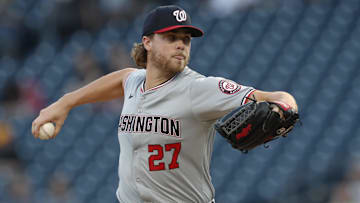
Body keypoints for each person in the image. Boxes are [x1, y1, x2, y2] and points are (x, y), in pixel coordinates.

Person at [31, 5, 298, 203]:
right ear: (147, 42)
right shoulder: (135, 82)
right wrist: (65, 103)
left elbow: (275, 97)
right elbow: (122, 78)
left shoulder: (199, 89)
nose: (181, 45)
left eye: (186, 39)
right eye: (171, 38)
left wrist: (285, 107)